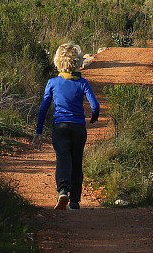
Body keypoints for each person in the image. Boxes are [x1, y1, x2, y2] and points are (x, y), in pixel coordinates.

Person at [33, 43, 100, 210]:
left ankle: (63, 190)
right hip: (79, 128)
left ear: (58, 61)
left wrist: (38, 131)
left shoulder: (52, 82)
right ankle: (75, 201)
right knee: (77, 162)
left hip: (60, 127)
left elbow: (43, 108)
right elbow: (95, 106)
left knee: (63, 158)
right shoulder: (83, 83)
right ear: (77, 62)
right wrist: (93, 118)